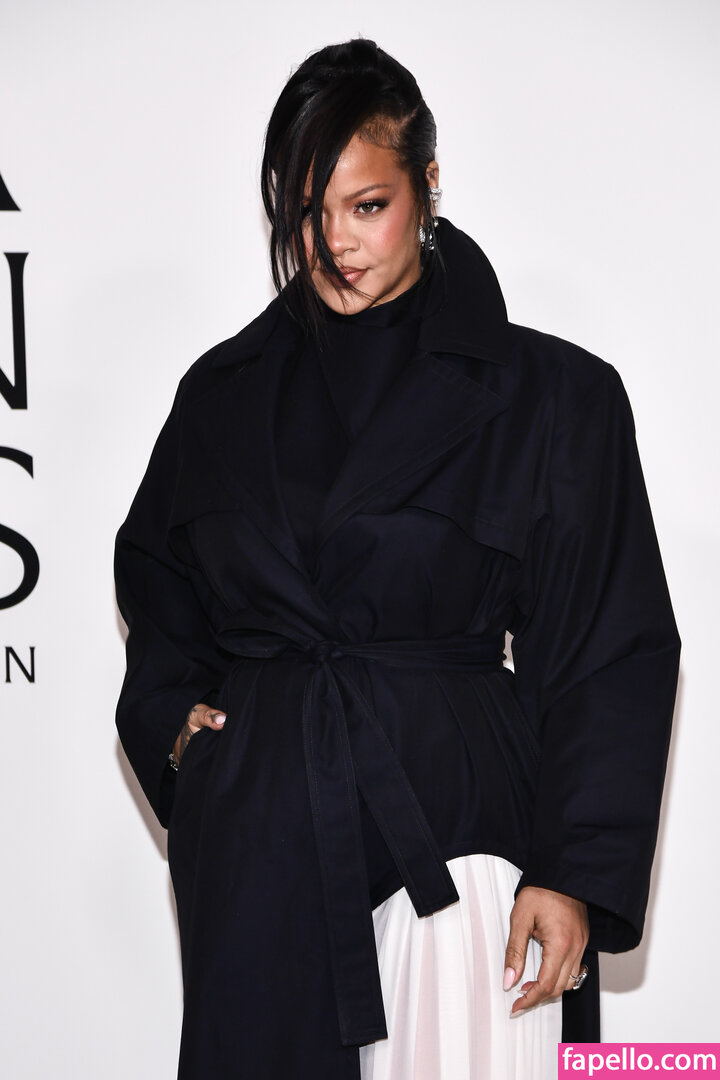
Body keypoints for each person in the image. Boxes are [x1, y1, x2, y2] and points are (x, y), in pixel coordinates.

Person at [114, 38, 680, 1080]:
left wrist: (572, 872)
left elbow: (609, 647)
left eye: (366, 205)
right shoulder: (220, 396)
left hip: (461, 845)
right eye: (306, 212)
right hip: (267, 844)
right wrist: (181, 737)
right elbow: (159, 586)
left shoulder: (552, 396)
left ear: (427, 185)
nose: (335, 243)